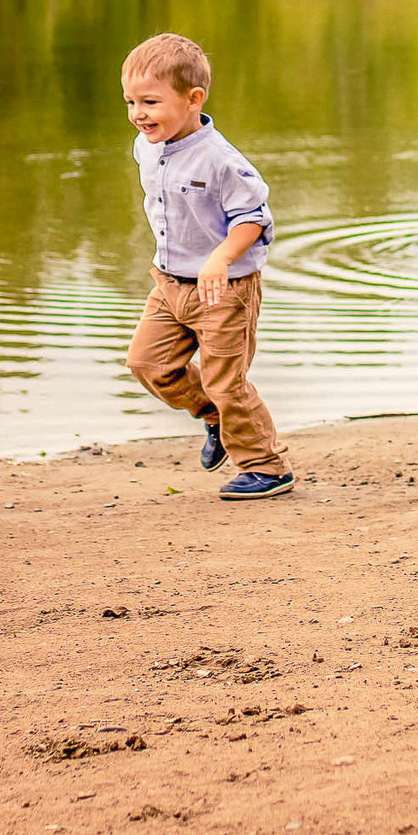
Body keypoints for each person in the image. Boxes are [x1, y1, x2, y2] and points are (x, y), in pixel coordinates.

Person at [119, 33, 294, 501]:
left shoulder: (221, 160)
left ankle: (267, 467)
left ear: (194, 99)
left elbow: (253, 218)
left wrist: (220, 258)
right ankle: (211, 414)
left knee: (225, 380)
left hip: (225, 288)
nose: (138, 114)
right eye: (131, 102)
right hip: (169, 282)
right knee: (146, 363)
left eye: (150, 102)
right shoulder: (146, 147)